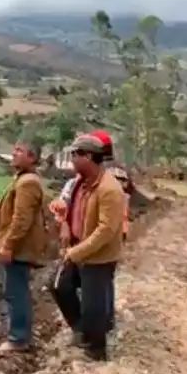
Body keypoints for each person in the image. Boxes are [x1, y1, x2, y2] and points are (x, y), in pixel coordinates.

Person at [49, 134, 125, 362]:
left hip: (98, 257)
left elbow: (106, 231)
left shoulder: (109, 189)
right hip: (79, 249)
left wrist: (76, 252)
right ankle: (82, 331)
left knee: (94, 306)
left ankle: (97, 351)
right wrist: (64, 225)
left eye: (75, 154)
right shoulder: (80, 183)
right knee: (58, 285)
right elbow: (70, 210)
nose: (71, 159)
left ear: (89, 156)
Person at [0, 140, 48, 354]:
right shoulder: (23, 179)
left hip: (19, 248)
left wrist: (8, 244)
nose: (14, 154)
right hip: (18, 246)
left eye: (20, 151)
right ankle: (17, 334)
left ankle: (18, 338)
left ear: (32, 157)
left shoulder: (27, 183)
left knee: (15, 291)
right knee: (14, 290)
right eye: (14, 149)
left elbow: (21, 220)